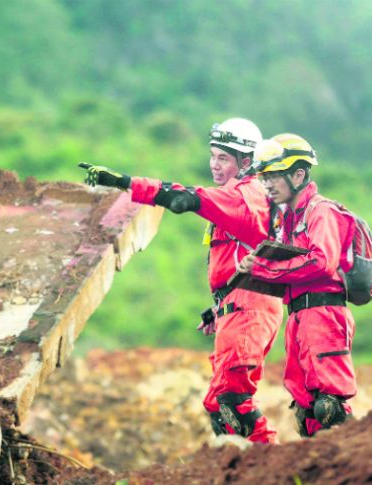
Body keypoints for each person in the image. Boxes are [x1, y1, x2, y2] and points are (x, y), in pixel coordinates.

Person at [82, 118, 284, 444]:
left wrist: (124, 182)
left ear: (246, 162)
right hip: (241, 306)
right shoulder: (244, 195)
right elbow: (240, 259)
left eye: (223, 159)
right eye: (213, 155)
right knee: (219, 405)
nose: (214, 165)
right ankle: (247, 470)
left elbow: (184, 197)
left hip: (251, 308)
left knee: (233, 401)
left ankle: (274, 470)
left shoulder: (243, 196)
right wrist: (219, 307)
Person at [237, 133, 358, 437]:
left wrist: (267, 267)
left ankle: (359, 468)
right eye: (263, 178)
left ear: (299, 174)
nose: (266, 185)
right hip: (299, 317)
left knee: (328, 406)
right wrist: (257, 268)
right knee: (306, 411)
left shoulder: (321, 211)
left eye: (274, 177)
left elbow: (321, 261)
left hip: (324, 315)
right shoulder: (291, 220)